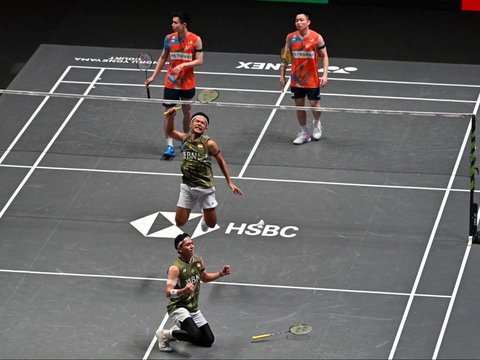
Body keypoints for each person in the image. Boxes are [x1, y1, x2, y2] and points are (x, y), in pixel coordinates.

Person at [164, 108, 243, 231]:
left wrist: (230, 182)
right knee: (179, 222)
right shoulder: (185, 139)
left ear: (205, 129)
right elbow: (170, 131)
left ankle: (204, 216)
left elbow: (221, 160)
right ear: (190, 124)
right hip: (187, 186)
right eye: (196, 121)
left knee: (211, 224)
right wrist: (171, 117)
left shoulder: (209, 144)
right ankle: (202, 210)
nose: (199, 124)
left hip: (205, 187)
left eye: (202, 123)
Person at [156, 232, 231, 352]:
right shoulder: (175, 268)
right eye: (187, 245)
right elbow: (168, 292)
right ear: (179, 249)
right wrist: (183, 290)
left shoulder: (198, 261)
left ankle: (182, 328)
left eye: (192, 243)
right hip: (178, 307)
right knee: (195, 335)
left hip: (193, 307)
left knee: (208, 340)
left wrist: (220, 273)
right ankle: (165, 334)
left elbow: (205, 278)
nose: (192, 246)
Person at [145, 11, 203, 159]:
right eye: (172, 22)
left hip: (187, 83)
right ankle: (169, 146)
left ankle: (185, 140)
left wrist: (184, 65)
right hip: (171, 83)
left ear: (184, 24)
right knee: (169, 114)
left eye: (175, 22)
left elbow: (199, 61)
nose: (172, 25)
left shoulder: (195, 40)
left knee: (187, 113)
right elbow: (163, 57)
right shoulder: (169, 39)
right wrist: (153, 76)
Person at [280, 10, 329, 145]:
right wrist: (282, 75)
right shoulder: (290, 37)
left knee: (315, 105)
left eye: (301, 20)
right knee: (299, 106)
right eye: (297, 20)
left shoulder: (317, 37)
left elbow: (324, 56)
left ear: (308, 22)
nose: (298, 22)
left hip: (312, 79)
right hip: (296, 79)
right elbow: (286, 57)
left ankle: (317, 123)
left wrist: (325, 74)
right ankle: (305, 132)